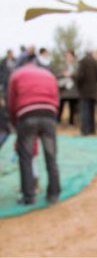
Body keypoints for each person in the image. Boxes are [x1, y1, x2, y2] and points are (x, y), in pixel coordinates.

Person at [7, 53, 60, 205]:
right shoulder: (49, 74)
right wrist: (52, 114)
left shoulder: (16, 75)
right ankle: (54, 194)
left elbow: (11, 102)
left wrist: (15, 122)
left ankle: (29, 196)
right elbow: (56, 97)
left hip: (27, 116)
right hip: (49, 115)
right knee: (51, 156)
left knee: (26, 157)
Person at [76, 52, 97, 135]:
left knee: (85, 111)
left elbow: (79, 76)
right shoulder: (95, 62)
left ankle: (85, 130)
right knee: (92, 111)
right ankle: (92, 130)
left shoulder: (83, 62)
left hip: (84, 91)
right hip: (94, 91)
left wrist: (78, 85)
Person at [57, 50, 79, 125]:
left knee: (72, 106)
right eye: (67, 56)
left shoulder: (77, 65)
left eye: (70, 56)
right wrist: (63, 74)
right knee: (61, 105)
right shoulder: (61, 65)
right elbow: (57, 75)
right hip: (63, 89)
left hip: (73, 89)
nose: (68, 57)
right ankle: (58, 120)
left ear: (73, 56)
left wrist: (72, 75)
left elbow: (79, 75)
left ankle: (71, 122)